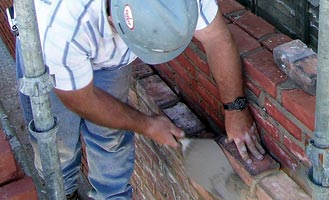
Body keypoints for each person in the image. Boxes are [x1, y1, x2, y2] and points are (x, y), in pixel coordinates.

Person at [15, 0, 265, 199]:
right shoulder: (62, 27)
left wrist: (235, 108)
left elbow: (217, 38)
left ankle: (112, 196)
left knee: (111, 137)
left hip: (110, 59)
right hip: (51, 61)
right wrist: (147, 124)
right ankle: (64, 190)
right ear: (116, 20)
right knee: (59, 142)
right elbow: (80, 100)